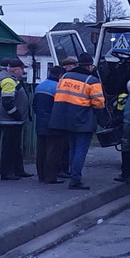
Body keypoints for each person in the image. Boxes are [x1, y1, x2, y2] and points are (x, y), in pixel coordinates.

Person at [48, 52, 104, 190]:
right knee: (81, 149)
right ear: (90, 65)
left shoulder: (65, 76)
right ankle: (75, 179)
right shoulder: (92, 80)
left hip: (64, 118)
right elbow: (99, 103)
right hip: (83, 118)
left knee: (73, 147)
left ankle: (73, 174)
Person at [0, 57, 33, 180]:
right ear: (16, 69)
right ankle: (7, 172)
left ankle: (18, 170)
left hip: (14, 120)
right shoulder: (8, 81)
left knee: (15, 146)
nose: (23, 71)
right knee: (9, 147)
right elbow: (7, 101)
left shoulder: (12, 80)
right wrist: (16, 114)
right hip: (10, 120)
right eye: (22, 69)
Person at [33, 65, 66, 183]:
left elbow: (35, 106)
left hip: (41, 123)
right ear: (60, 75)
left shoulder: (39, 86)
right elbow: (60, 108)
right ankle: (50, 177)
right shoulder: (58, 87)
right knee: (53, 152)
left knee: (41, 150)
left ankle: (41, 175)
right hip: (54, 124)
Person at [56, 56, 78, 177]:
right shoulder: (69, 80)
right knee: (66, 145)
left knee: (66, 145)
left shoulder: (62, 80)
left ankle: (65, 167)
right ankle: (64, 168)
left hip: (63, 115)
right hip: (71, 116)